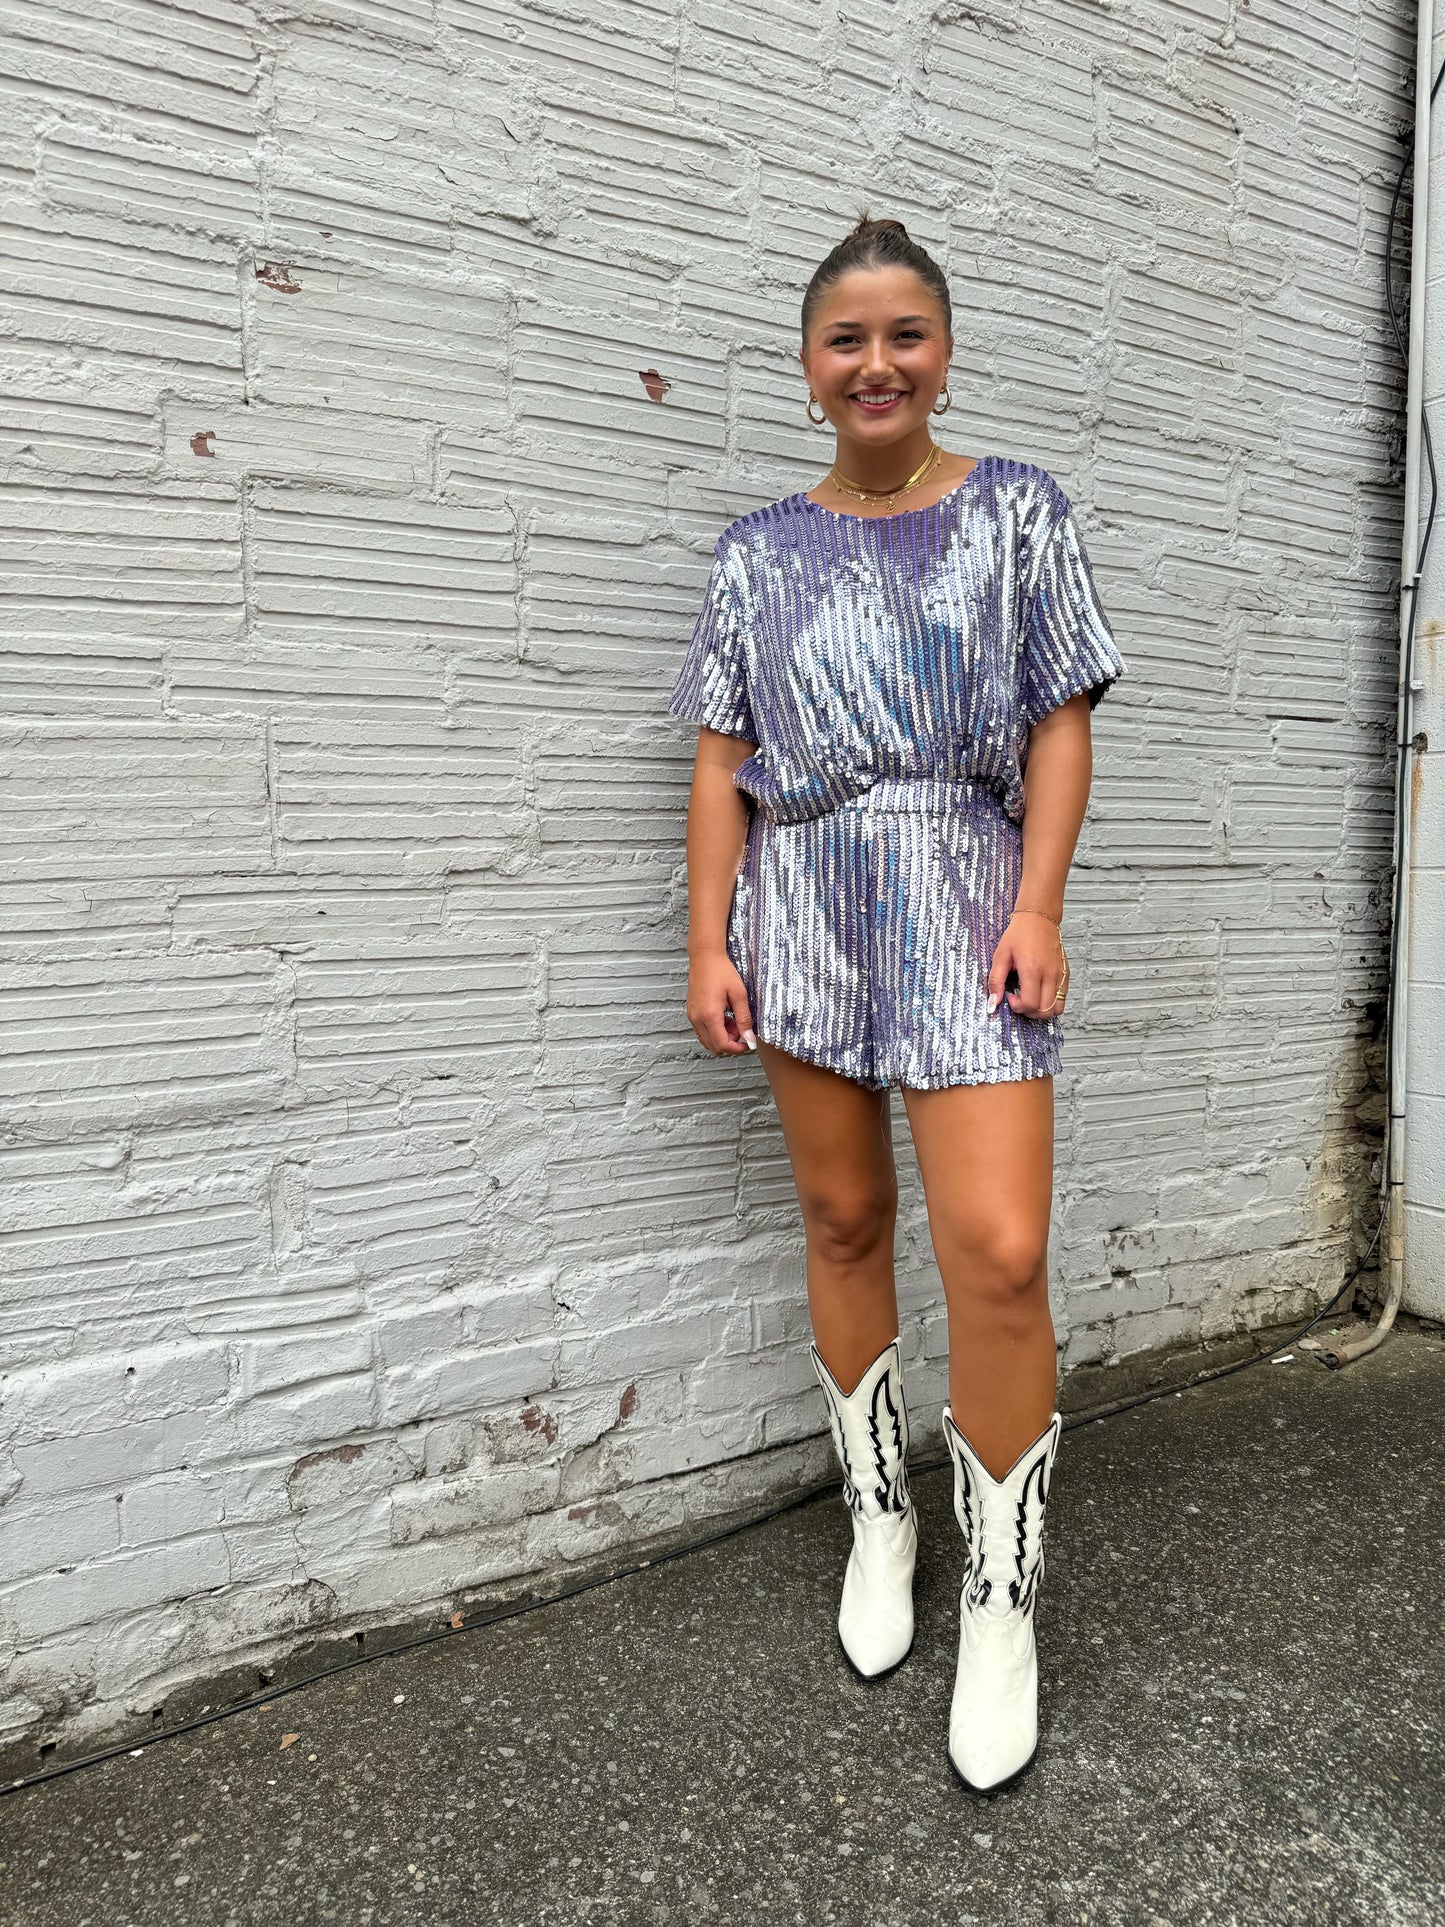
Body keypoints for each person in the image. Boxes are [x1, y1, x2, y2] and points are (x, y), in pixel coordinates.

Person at [665, 212, 1127, 1795]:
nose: (876, 361)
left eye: (903, 334)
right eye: (845, 338)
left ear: (942, 354)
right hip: (799, 900)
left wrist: (1038, 904)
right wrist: (707, 941)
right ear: (808, 370)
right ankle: (880, 1519)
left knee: (997, 1250)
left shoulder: (1017, 516)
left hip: (960, 886)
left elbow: (1059, 725)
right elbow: (721, 763)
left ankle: (999, 1597)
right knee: (843, 1218)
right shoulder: (753, 555)